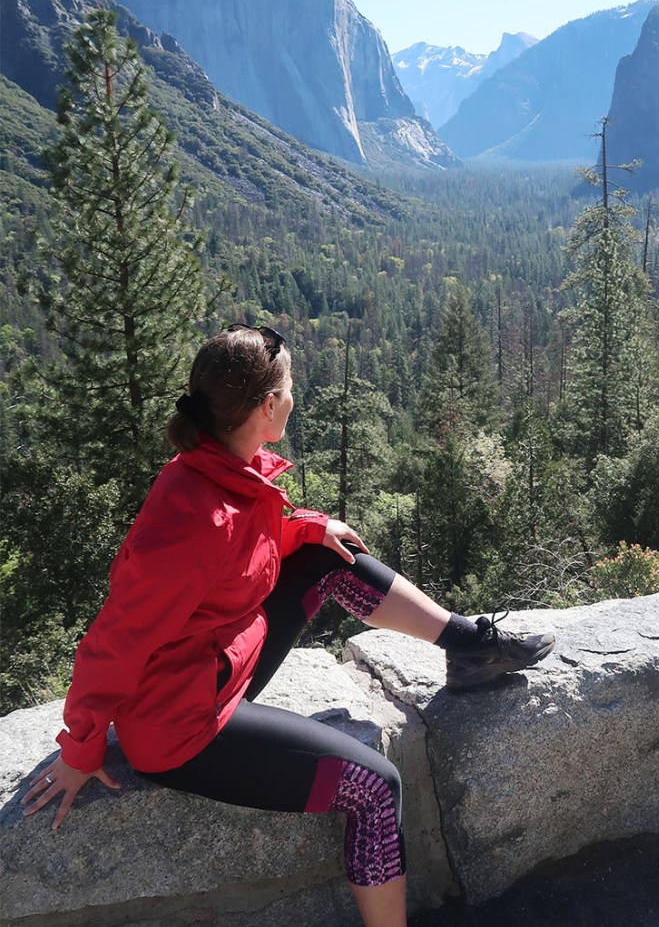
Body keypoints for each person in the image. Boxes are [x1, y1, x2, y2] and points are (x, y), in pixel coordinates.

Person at [22, 324, 554, 927]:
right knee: (375, 788)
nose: (297, 398)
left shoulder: (218, 467)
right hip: (181, 729)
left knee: (331, 554)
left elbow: (231, 551)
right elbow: (112, 641)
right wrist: (83, 744)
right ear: (268, 406)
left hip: (218, 664)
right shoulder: (196, 517)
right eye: (292, 387)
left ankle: (466, 646)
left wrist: (302, 529)